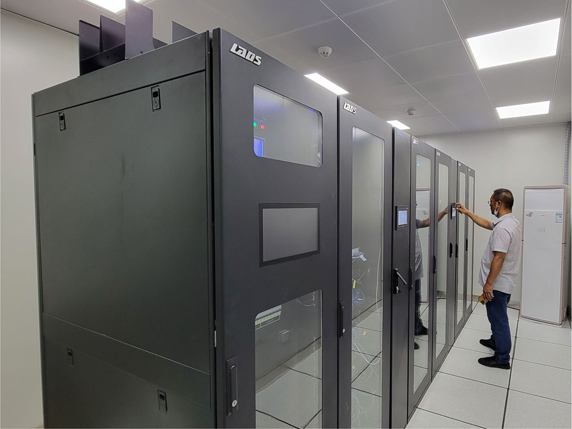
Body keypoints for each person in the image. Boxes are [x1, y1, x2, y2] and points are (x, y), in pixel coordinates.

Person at [457, 188, 522, 369]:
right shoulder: (511, 222)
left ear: (499, 203)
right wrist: (467, 212)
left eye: (491, 202)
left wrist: (488, 284)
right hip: (505, 282)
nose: (490, 205)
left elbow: (499, 258)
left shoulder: (503, 229)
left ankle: (502, 358)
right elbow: (486, 223)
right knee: (495, 317)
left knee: (499, 321)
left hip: (498, 285)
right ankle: (495, 341)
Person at [414, 206, 448, 349]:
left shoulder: (411, 219)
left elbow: (427, 222)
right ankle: (403, 336)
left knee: (416, 300)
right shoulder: (399, 220)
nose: (415, 205)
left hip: (415, 270)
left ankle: (416, 326)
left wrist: (444, 212)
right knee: (404, 305)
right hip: (406, 272)